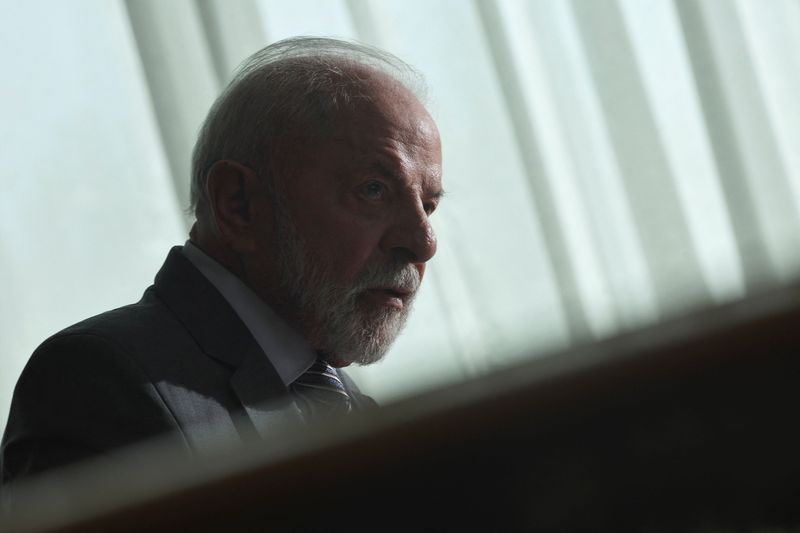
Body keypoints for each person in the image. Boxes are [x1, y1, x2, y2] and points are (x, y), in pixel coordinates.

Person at [0, 36, 443, 486]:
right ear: (239, 204)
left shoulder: (345, 405)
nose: (424, 242)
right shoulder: (98, 381)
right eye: (373, 189)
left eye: (428, 205)